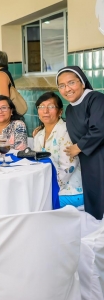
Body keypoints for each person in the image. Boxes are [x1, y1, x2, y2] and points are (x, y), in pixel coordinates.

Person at [56, 66, 104, 220]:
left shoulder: (96, 99)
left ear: (82, 83)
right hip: (89, 161)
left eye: (71, 83)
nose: (67, 89)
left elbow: (100, 128)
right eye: (61, 86)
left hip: (101, 157)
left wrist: (79, 146)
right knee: (94, 200)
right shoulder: (70, 109)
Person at [33, 92, 83, 208]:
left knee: (36, 205)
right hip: (48, 188)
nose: (45, 111)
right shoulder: (39, 135)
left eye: (51, 107)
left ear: (60, 112)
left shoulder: (66, 131)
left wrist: (45, 189)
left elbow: (68, 168)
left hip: (70, 191)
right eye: (41, 107)